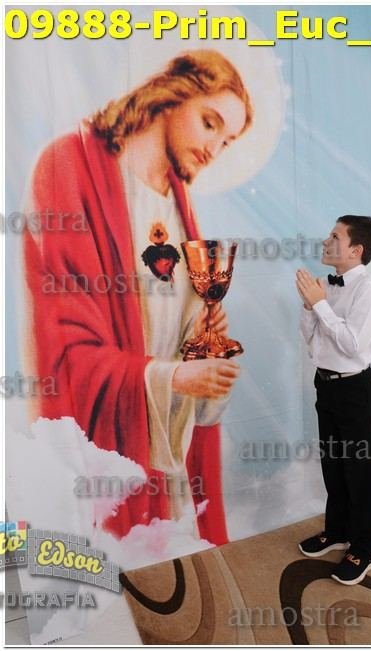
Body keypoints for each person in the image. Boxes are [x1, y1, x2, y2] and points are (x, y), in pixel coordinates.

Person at [23, 50, 253, 545]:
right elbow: (67, 348)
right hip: (107, 461)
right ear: (173, 96)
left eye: (227, 141)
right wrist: (172, 377)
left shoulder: (179, 202)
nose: (215, 148)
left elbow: (167, 322)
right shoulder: (70, 166)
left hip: (161, 457)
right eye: (209, 123)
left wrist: (199, 336)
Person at [295, 215, 371, 585]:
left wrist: (319, 305)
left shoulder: (369, 290)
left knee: (358, 467)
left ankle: (365, 545)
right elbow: (312, 340)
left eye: (335, 236)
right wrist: (310, 308)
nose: (325, 241)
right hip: (326, 385)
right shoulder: (327, 287)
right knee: (333, 463)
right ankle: (338, 530)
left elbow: (353, 344)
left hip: (355, 389)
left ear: (356, 250)